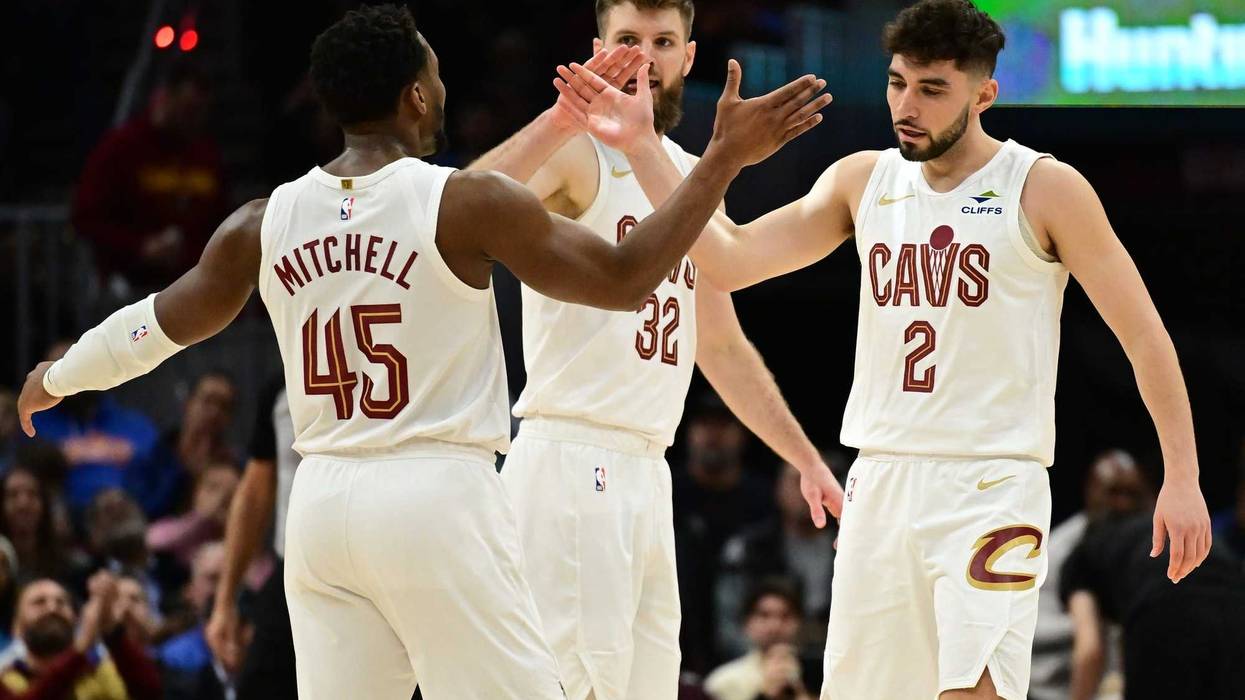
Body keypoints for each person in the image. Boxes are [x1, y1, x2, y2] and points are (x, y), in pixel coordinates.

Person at [16, 4, 825, 697]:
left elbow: (156, 324)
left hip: (324, 507)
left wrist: (57, 374)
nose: (443, 89)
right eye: (436, 75)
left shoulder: (265, 219)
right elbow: (622, 278)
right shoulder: (454, 200)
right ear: (415, 95)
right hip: (434, 494)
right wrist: (724, 159)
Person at [554, 1, 1212, 697]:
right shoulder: (863, 179)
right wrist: (642, 148)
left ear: (983, 94)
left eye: (932, 90)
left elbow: (1143, 336)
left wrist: (1181, 475)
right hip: (881, 481)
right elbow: (725, 259)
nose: (907, 105)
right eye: (898, 83)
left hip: (989, 485)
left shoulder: (1043, 187)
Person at [470, 2, 840, 695]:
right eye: (626, 41)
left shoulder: (686, 172)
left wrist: (802, 457)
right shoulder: (578, 154)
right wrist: (557, 120)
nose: (643, 57)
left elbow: (722, 345)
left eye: (662, 41)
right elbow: (461, 207)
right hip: (574, 459)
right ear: (593, 51)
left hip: (645, 469)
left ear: (689, 57)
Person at [72, 60, 227, 293]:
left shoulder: (206, 153)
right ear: (164, 97)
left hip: (193, 289)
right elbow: (85, 217)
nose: (195, 119)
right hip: (129, 288)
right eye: (189, 109)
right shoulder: (122, 147)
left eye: (201, 110)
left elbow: (222, 218)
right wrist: (140, 247)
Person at [1060, 509, 1245, 700]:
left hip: (1164, 609)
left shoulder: (1080, 560)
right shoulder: (1144, 533)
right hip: (1235, 605)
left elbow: (1089, 650)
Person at [1029, 450, 1149, 700]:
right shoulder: (1067, 548)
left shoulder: (1142, 543)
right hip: (1049, 671)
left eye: (1131, 494)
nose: (1122, 503)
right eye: (1114, 493)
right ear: (1091, 493)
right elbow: (1089, 647)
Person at [205, 378, 298, 700]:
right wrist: (226, 599)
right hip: (295, 571)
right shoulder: (280, 387)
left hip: (388, 570)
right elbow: (254, 493)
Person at [1, 573, 161, 699]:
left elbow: (149, 692)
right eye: (39, 602)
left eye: (61, 602)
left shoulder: (99, 672)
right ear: (16, 626)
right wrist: (80, 649)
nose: (52, 608)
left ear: (75, 619)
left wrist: (112, 632)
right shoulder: (7, 680)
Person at [704, 578, 812, 700]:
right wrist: (764, 695)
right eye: (764, 615)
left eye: (785, 616)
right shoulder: (723, 682)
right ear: (746, 623)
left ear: (799, 623)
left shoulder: (823, 676)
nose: (775, 626)